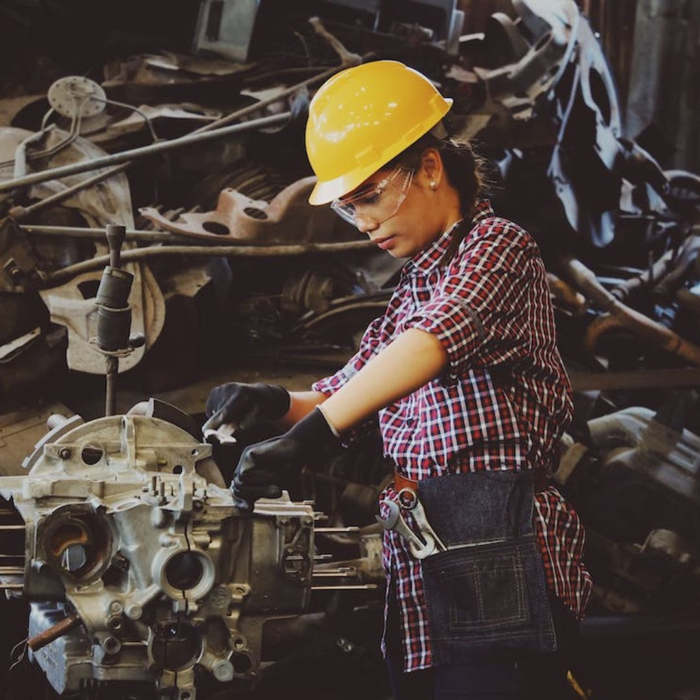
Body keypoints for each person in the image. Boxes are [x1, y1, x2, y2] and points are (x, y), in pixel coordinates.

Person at [205, 60, 592, 699]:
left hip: (498, 543)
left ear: (431, 169)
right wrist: (272, 405)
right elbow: (343, 392)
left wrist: (314, 438)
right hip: (423, 548)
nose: (363, 223)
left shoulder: (498, 247)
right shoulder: (412, 290)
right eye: (351, 206)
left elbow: (432, 343)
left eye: (372, 196)